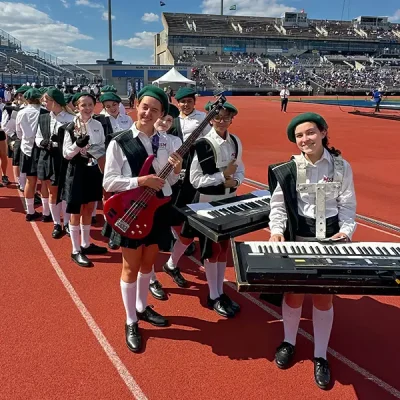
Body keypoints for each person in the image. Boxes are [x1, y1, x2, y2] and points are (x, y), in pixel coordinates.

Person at [268, 112, 357, 390]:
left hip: (330, 237)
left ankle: (320, 354)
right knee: (294, 295)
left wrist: (346, 232)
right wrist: (276, 230)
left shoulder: (342, 167)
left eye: (310, 133)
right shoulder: (289, 168)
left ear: (323, 132)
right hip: (299, 235)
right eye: (299, 136)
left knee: (323, 298)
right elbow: (278, 206)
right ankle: (289, 341)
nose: (304, 140)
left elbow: (348, 205)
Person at [102, 86, 183, 353]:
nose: (148, 113)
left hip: (157, 210)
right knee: (130, 267)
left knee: (149, 263)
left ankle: (142, 306)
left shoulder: (167, 141)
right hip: (130, 211)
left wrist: (176, 171)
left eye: (155, 110)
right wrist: (140, 180)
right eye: (145, 106)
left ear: (162, 114)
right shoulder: (119, 141)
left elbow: (168, 182)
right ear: (136, 104)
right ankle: (130, 320)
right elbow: (110, 181)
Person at [154, 87, 211, 300]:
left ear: (194, 102)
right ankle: (178, 239)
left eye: (188, 101)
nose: (185, 105)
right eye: (182, 102)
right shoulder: (169, 125)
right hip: (168, 172)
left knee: (186, 205)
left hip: (191, 165)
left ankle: (181, 239)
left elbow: (207, 142)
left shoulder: (202, 119)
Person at [188, 101, 244, 318]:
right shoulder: (202, 144)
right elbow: (195, 180)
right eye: (218, 117)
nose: (222, 121)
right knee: (211, 251)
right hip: (208, 203)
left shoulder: (236, 142)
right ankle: (213, 296)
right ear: (210, 119)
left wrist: (235, 183)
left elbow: (240, 170)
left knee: (223, 249)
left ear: (232, 119)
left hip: (229, 200)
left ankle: (220, 290)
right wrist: (223, 178)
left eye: (227, 117)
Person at [59, 92, 107, 267]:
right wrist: (77, 145)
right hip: (76, 171)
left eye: (90, 105)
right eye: (83, 105)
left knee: (89, 208)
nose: (87, 108)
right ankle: (75, 250)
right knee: (76, 210)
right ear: (77, 107)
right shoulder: (70, 127)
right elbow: (66, 154)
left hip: (92, 169)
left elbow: (102, 146)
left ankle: (85, 244)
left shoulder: (98, 125)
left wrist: (95, 152)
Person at [35, 87, 75, 238]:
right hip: (49, 158)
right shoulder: (43, 117)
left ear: (55, 101)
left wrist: (59, 144)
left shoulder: (71, 119)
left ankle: (67, 223)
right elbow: (37, 138)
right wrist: (44, 143)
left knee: (65, 192)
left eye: (47, 100)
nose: (44, 103)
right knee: (53, 191)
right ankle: (57, 223)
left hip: (65, 159)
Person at [16, 88, 49, 221]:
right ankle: (46, 213)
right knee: (45, 182)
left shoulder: (21, 113)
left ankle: (30, 211)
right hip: (42, 148)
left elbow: (18, 133)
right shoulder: (45, 112)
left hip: (27, 148)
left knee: (30, 181)